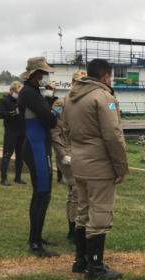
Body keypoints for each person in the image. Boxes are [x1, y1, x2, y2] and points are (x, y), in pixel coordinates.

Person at [62, 59, 128, 280]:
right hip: (99, 165)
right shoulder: (103, 97)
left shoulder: (71, 97)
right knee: (99, 213)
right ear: (106, 77)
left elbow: (65, 128)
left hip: (79, 162)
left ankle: (80, 260)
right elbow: (113, 135)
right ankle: (96, 267)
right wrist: (120, 166)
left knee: (83, 212)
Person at [18, 56, 61, 257]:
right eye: (44, 74)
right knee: (42, 195)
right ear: (35, 75)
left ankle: (36, 236)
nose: (46, 77)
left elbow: (46, 115)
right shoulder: (30, 93)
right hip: (36, 148)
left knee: (42, 195)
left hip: (37, 145)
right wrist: (53, 114)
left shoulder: (32, 91)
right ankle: (35, 244)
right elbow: (51, 121)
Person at [50, 70, 87, 245]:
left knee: (77, 193)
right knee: (75, 193)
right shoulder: (60, 103)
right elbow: (54, 131)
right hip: (67, 152)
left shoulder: (83, 103)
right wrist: (62, 154)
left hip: (81, 153)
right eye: (77, 82)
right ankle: (73, 230)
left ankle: (75, 228)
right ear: (72, 83)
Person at [0, 81, 27, 186]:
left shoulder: (22, 102)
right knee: (7, 154)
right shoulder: (3, 100)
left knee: (20, 155)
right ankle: (3, 178)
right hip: (10, 131)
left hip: (22, 131)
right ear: (10, 90)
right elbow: (0, 114)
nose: (17, 94)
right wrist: (14, 112)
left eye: (19, 92)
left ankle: (18, 177)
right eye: (15, 92)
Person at [43, 81, 67, 185]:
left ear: (54, 90)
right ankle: (46, 175)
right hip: (44, 130)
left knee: (59, 153)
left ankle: (60, 177)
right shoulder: (41, 101)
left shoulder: (58, 101)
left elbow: (59, 116)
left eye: (50, 88)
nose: (48, 90)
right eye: (47, 88)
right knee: (46, 154)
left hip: (56, 131)